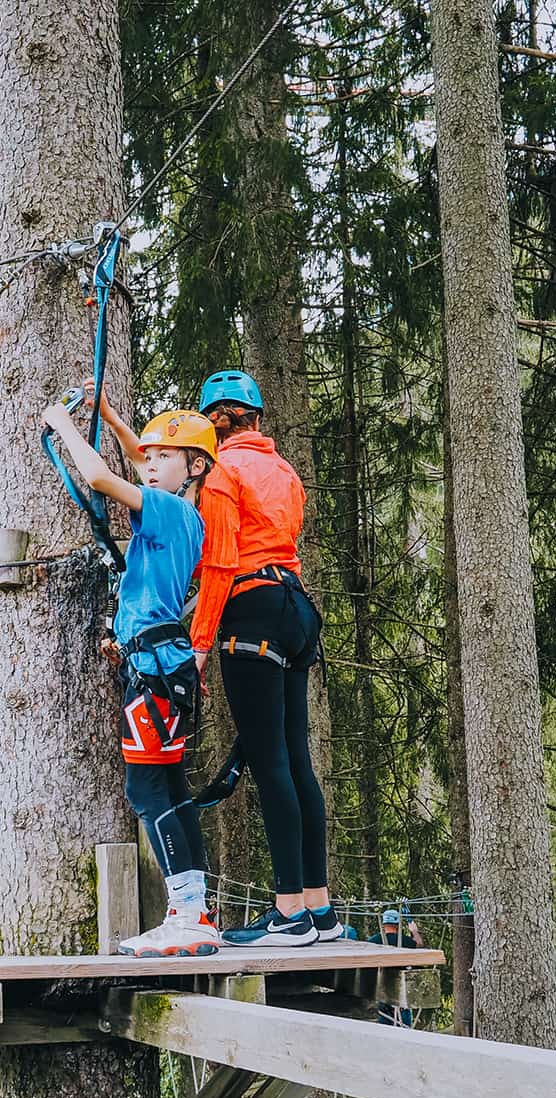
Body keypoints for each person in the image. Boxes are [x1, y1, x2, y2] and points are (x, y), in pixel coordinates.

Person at [42, 394, 222, 956]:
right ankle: (195, 910)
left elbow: (97, 477)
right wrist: (115, 419)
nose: (148, 462)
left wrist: (62, 425)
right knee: (167, 787)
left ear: (194, 467)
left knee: (147, 789)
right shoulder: (182, 516)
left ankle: (188, 914)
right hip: (159, 664)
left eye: (164, 456)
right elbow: (136, 457)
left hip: (154, 671)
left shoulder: (168, 511)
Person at [186, 370, 338, 947]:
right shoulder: (284, 472)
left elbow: (222, 563)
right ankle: (319, 910)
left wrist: (200, 645)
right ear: (257, 418)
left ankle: (289, 912)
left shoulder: (223, 474)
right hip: (296, 609)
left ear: (214, 423)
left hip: (252, 608)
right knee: (296, 759)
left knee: (270, 761)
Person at [368, 909, 424, 1027]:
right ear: (398, 924)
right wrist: (414, 931)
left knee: (384, 1030)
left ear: (383, 924)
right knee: (404, 1029)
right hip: (400, 996)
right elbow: (419, 944)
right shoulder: (405, 941)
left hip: (382, 994)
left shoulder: (373, 941)